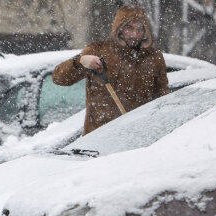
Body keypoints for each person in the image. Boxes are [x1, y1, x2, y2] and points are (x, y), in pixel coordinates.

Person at [53, 5, 170, 135]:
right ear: (119, 29)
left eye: (139, 29)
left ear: (146, 31)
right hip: (99, 137)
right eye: (129, 28)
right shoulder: (99, 51)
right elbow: (59, 78)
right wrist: (80, 62)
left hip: (137, 137)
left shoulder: (153, 58)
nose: (134, 34)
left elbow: (162, 99)